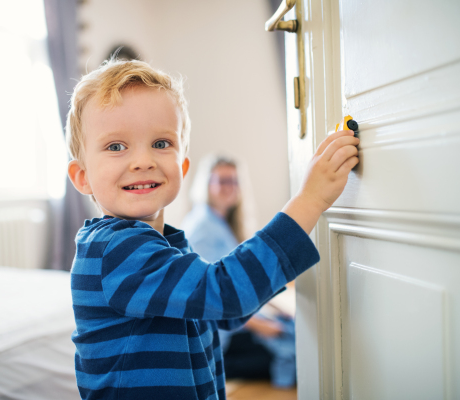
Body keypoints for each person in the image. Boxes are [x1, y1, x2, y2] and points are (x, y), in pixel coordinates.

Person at [66, 58, 359, 400]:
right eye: (116, 147)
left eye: (161, 143)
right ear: (82, 176)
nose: (142, 160)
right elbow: (224, 294)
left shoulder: (166, 244)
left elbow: (217, 312)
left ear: (182, 165)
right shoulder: (114, 250)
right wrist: (309, 200)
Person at [181, 155, 298, 388]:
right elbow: (213, 295)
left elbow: (242, 280)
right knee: (296, 353)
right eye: (222, 181)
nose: (229, 188)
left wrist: (275, 308)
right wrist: (262, 325)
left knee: (294, 333)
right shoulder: (204, 228)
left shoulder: (220, 222)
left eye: (234, 181)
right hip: (221, 336)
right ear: (206, 184)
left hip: (234, 323)